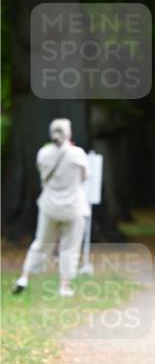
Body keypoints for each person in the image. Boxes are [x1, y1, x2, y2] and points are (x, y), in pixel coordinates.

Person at [13, 118, 89, 298]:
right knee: (70, 246)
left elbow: (42, 175)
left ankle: (24, 277)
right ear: (69, 133)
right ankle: (64, 286)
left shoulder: (43, 153)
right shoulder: (77, 154)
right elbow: (85, 177)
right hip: (73, 206)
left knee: (40, 243)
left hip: (49, 206)